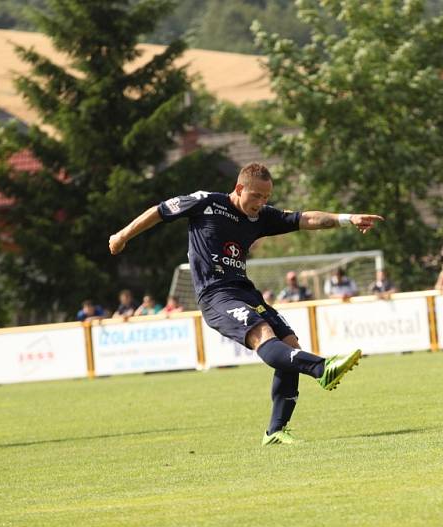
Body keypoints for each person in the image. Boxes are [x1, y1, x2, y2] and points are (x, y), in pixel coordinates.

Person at [109, 162, 384, 445]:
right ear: (239, 188)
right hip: (215, 295)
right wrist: (122, 235)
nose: (261, 203)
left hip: (245, 291)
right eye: (256, 196)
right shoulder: (206, 202)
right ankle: (322, 368)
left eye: (266, 198)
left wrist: (346, 218)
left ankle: (276, 430)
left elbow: (306, 219)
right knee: (263, 335)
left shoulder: (262, 217)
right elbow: (159, 211)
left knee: (289, 344)